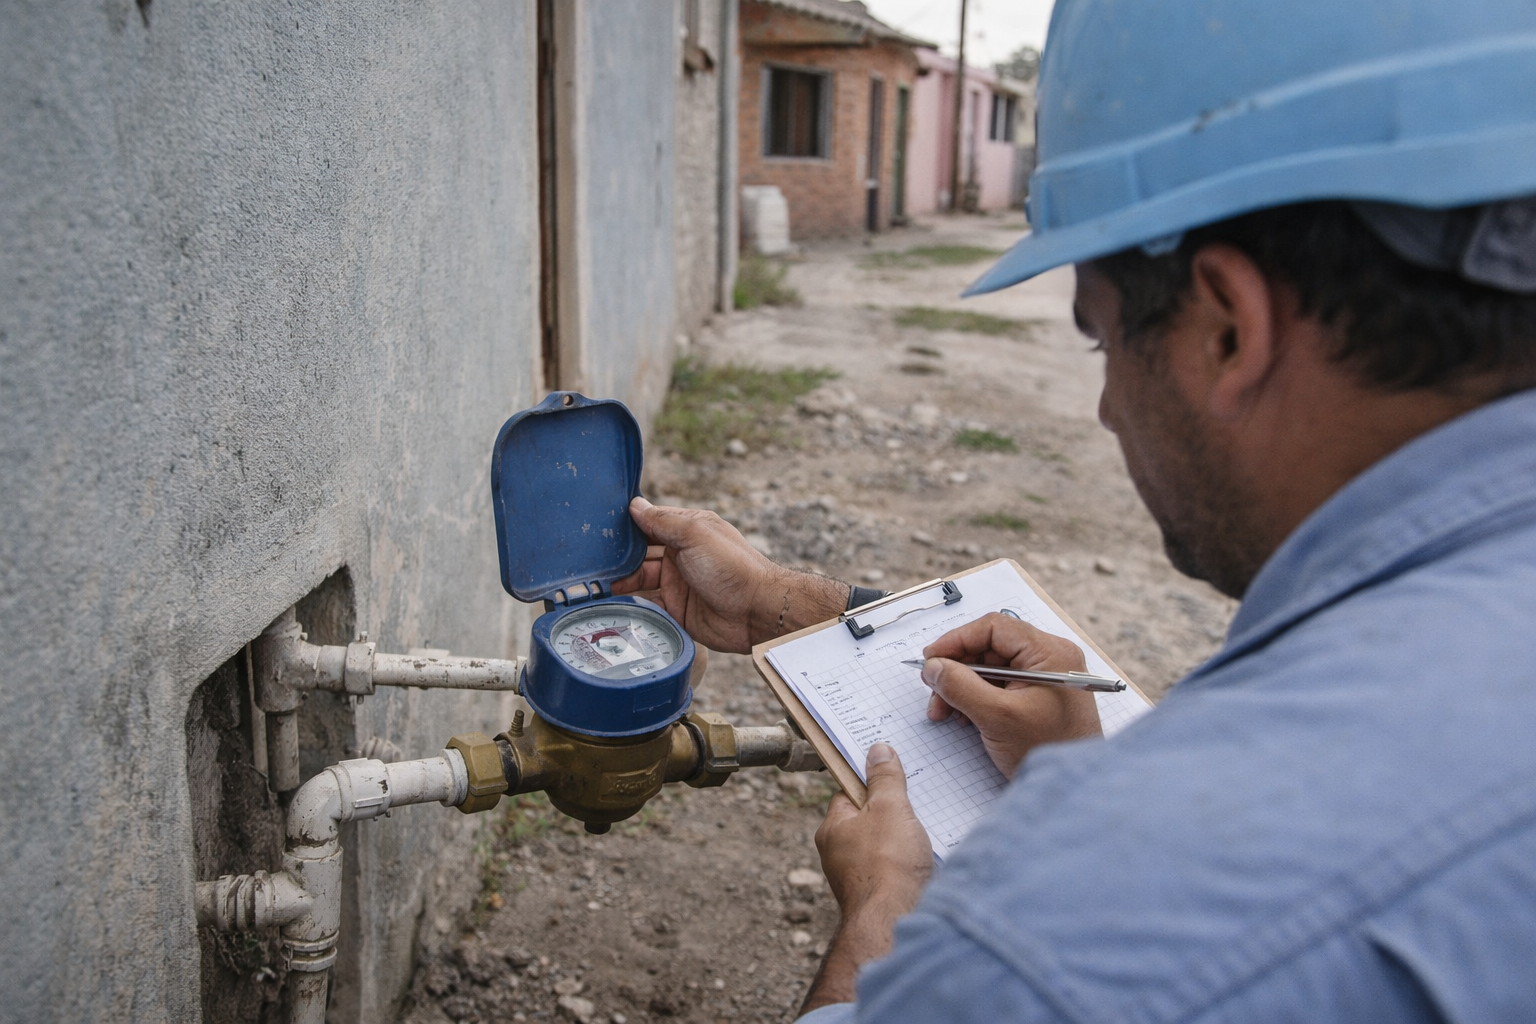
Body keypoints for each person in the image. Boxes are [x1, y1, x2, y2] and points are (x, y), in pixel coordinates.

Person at [618, 2, 1536, 1019]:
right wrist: (786, 608)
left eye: (1100, 338)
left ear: (1229, 331)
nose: (1105, 409)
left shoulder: (1064, 944)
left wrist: (888, 916)